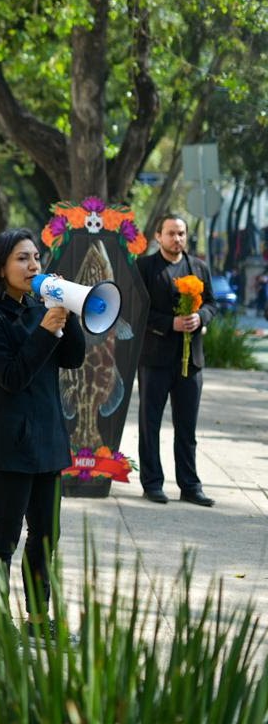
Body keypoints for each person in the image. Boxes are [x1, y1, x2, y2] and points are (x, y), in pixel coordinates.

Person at [0, 228, 85, 638]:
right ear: (0, 266)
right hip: (9, 443)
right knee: (5, 536)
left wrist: (66, 312)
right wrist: (46, 329)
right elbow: (11, 377)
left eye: (36, 257)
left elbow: (73, 357)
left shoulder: (40, 307)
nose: (33, 266)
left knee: (46, 535)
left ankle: (38, 619)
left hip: (49, 438)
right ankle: (1, 622)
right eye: (22, 258)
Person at [135, 214, 218, 507]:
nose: (177, 239)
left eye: (181, 233)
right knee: (150, 423)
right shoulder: (144, 267)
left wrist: (200, 317)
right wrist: (169, 324)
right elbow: (136, 309)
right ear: (158, 236)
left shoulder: (199, 267)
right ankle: (152, 483)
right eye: (171, 233)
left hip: (190, 361)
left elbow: (211, 303)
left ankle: (190, 485)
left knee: (187, 427)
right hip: (154, 359)